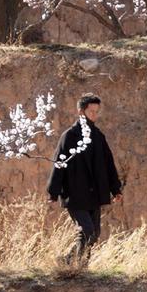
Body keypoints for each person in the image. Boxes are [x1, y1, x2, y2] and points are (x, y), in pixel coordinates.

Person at [46, 94, 122, 267]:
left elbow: (109, 164)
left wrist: (115, 189)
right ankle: (68, 261)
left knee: (94, 233)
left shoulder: (98, 136)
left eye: (97, 111)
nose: (94, 115)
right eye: (91, 111)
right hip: (75, 193)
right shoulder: (69, 136)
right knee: (86, 231)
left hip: (94, 194)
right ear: (81, 112)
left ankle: (80, 267)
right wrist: (53, 192)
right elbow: (59, 163)